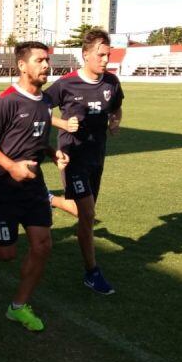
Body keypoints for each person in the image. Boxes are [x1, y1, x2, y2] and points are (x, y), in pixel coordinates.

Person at [0, 42, 68, 332]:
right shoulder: (6, 100)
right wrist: (11, 166)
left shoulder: (44, 103)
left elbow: (37, 138)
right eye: (40, 60)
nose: (46, 66)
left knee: (42, 245)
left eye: (47, 60)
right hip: (2, 184)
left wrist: (53, 153)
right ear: (22, 65)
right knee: (6, 254)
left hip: (33, 185)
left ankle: (18, 307)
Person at [45, 28, 123, 295]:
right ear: (85, 55)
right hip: (72, 155)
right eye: (100, 55)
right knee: (88, 214)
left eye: (108, 55)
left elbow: (117, 107)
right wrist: (62, 122)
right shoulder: (66, 84)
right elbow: (38, 109)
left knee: (83, 214)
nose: (105, 60)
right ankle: (92, 272)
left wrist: (115, 121)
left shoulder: (111, 83)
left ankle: (50, 200)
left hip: (96, 156)